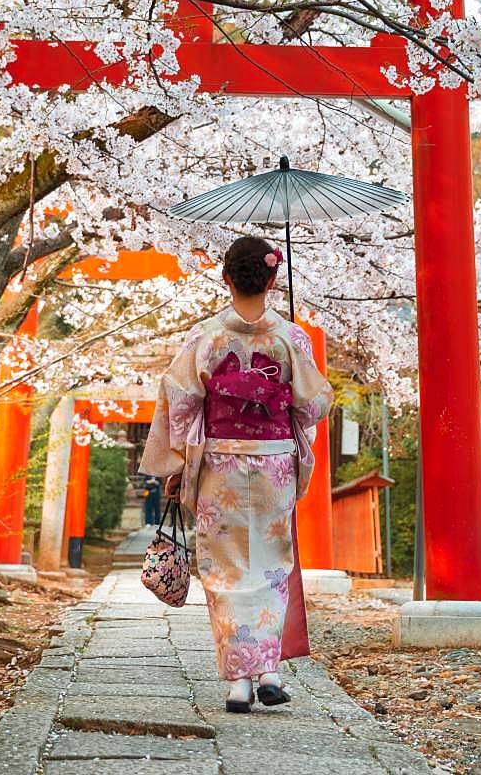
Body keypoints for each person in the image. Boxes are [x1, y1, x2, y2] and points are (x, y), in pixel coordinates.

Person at [139, 235, 333, 713]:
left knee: (223, 569)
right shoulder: (291, 338)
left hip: (221, 464)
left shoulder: (206, 337)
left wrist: (180, 463)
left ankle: (238, 683)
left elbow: (179, 400)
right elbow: (313, 404)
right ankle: (269, 670)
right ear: (271, 279)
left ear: (225, 277)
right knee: (270, 562)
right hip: (272, 463)